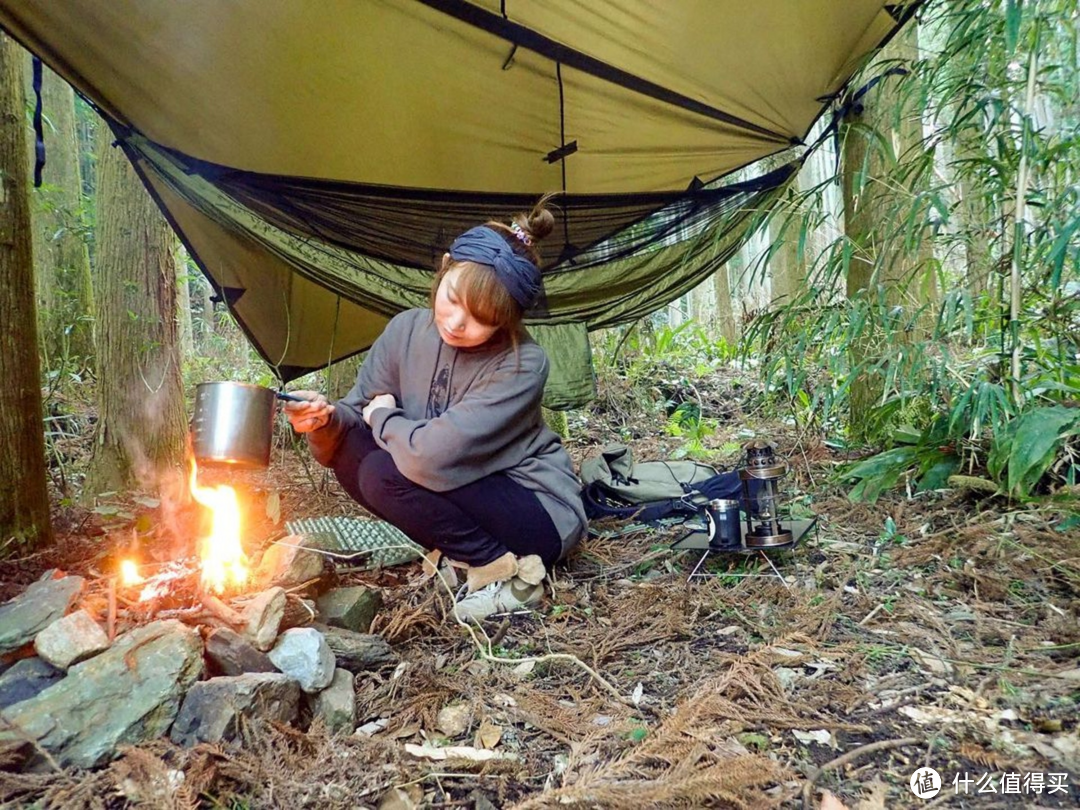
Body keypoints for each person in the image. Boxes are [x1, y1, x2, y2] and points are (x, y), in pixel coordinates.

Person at [284, 199, 587, 621]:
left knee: (382, 471)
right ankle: (465, 549)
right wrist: (324, 420)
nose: (458, 322)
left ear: (509, 321)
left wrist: (382, 417)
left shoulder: (523, 363)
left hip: (534, 509)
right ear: (444, 268)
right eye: (453, 299)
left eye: (482, 318)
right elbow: (355, 415)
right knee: (350, 449)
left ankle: (506, 574)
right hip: (456, 482)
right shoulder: (406, 329)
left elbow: (432, 456)